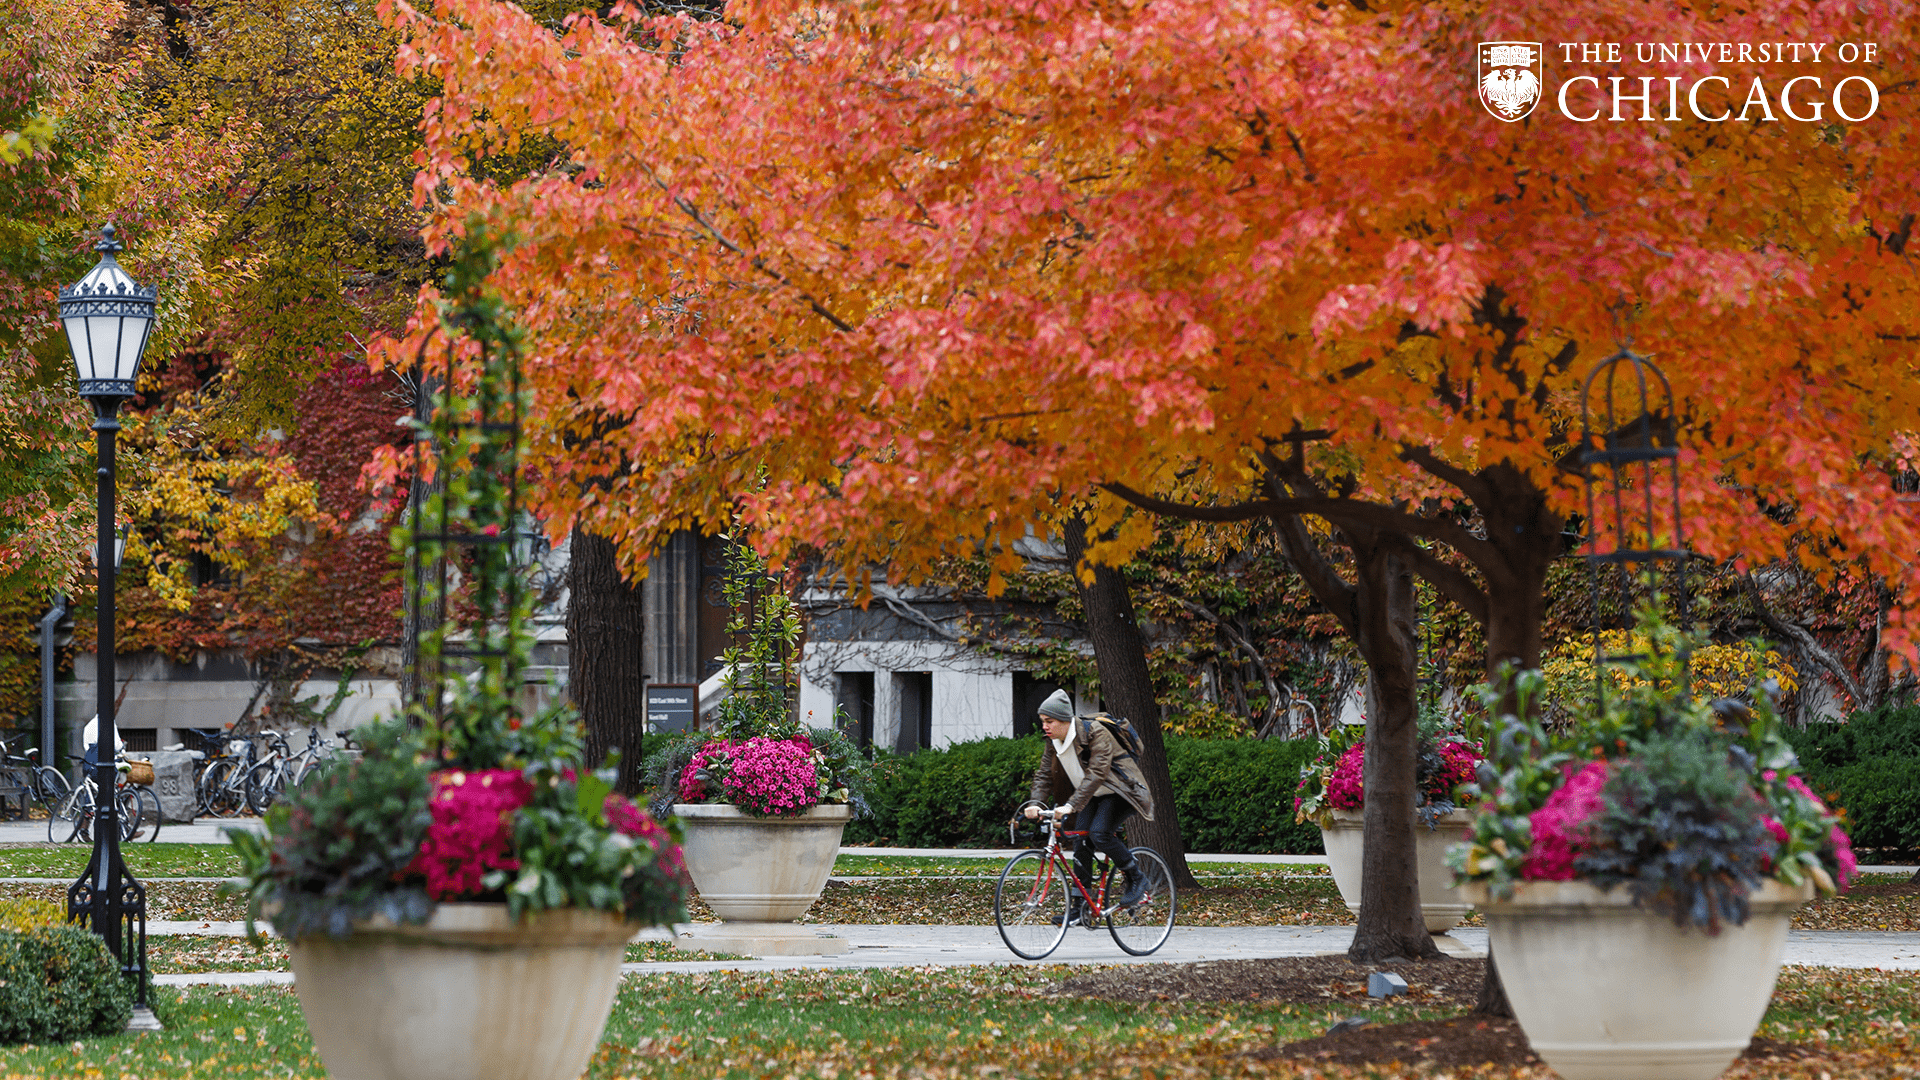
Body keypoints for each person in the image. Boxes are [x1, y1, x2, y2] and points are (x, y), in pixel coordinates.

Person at [1022, 689, 1155, 925]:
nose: (1044, 726)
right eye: (1043, 721)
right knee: (1081, 840)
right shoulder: (1053, 743)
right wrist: (1035, 803)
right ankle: (1080, 907)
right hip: (1092, 796)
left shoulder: (1095, 733)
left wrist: (1071, 805)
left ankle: (1137, 878)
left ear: (1064, 720)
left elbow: (1096, 773)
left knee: (1099, 833)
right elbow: (1043, 775)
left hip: (1121, 792)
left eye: (1049, 721)